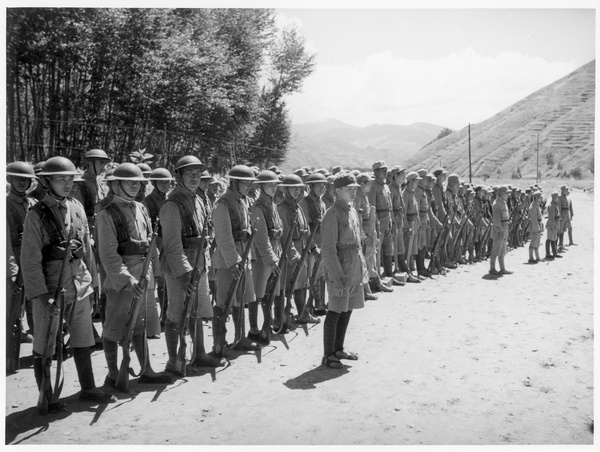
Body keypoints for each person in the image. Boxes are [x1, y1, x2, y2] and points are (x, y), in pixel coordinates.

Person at [21, 156, 116, 413]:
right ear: (46, 181)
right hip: (52, 288)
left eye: (69, 179)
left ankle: (88, 388)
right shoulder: (36, 214)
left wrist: (94, 283)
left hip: (80, 282)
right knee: (45, 344)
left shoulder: (76, 206)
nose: (66, 183)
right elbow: (30, 260)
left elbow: (86, 249)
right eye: (60, 179)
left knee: (83, 339)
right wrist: (41, 296)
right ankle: (47, 397)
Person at [96, 162, 171, 389]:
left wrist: (156, 272)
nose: (134, 186)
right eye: (129, 182)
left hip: (144, 274)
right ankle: (112, 373)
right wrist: (127, 280)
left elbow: (151, 245)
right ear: (115, 185)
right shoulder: (106, 214)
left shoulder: (142, 208)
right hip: (121, 278)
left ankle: (146, 369)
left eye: (137, 183)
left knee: (141, 324)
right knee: (113, 327)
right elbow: (108, 254)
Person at [160, 156, 224, 370]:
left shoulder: (198, 199)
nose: (195, 177)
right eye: (190, 173)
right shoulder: (172, 204)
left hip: (199, 262)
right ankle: (173, 361)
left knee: (197, 310)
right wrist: (185, 273)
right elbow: (171, 245)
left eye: (198, 173)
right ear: (178, 176)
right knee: (176, 313)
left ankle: (199, 353)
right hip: (180, 267)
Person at [211, 165, 261, 357]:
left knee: (241, 299)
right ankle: (219, 342)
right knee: (223, 302)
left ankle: (240, 338)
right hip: (227, 261)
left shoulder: (242, 201)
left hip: (243, 256)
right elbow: (223, 237)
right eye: (245, 182)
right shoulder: (223, 204)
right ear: (234, 182)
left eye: (250, 182)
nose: (248, 186)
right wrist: (233, 262)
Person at [320, 173, 367, 369]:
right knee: (335, 311)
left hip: (353, 265)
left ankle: (338, 348)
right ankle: (328, 354)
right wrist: (337, 276)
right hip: (340, 267)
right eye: (349, 189)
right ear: (336, 191)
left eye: (355, 188)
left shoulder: (351, 210)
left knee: (347, 309)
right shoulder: (332, 214)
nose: (353, 191)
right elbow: (329, 250)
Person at [6, 162, 37, 373]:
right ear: (9, 180)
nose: (21, 182)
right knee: (12, 314)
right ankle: (9, 359)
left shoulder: (33, 204)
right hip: (15, 264)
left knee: (36, 309)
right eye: (17, 178)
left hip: (34, 264)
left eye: (25, 179)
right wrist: (11, 272)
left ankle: (42, 353)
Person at [249, 170, 284, 344]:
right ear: (261, 186)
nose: (273, 187)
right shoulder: (258, 207)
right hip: (262, 257)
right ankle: (254, 329)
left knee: (269, 293)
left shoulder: (272, 204)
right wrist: (271, 259)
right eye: (270, 184)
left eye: (275, 184)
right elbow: (261, 238)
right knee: (258, 293)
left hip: (273, 253)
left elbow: (280, 228)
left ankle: (266, 325)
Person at [276, 174, 312, 332]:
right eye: (293, 188)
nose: (297, 191)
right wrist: (294, 254)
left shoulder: (297, 206)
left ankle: (302, 313)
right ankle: (282, 319)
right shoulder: (283, 208)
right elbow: (285, 236)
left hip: (301, 246)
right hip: (289, 251)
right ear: (285, 189)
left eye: (299, 188)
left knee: (301, 283)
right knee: (286, 286)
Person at [144, 167, 175, 327]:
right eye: (161, 182)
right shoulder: (148, 201)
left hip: (169, 242)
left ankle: (164, 314)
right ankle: (152, 319)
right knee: (155, 280)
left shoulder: (169, 199)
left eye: (167, 182)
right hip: (156, 243)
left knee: (166, 279)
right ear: (154, 183)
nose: (164, 184)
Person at [355, 172, 392, 298]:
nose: (370, 185)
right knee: (364, 262)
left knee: (371, 261)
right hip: (364, 233)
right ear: (361, 184)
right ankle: (365, 291)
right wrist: (362, 235)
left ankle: (375, 284)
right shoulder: (358, 198)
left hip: (370, 230)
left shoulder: (364, 196)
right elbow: (358, 219)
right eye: (368, 183)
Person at [299, 172, 329, 318]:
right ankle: (308, 308)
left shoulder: (322, 203)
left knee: (320, 275)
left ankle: (320, 304)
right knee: (309, 277)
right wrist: (312, 246)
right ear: (310, 186)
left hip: (322, 242)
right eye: (319, 185)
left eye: (324, 185)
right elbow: (304, 228)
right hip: (310, 244)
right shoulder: (304, 203)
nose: (322, 188)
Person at [402, 171, 422, 281]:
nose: (418, 183)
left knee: (413, 249)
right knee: (407, 250)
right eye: (416, 181)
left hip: (414, 224)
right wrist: (406, 227)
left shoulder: (412, 193)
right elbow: (403, 213)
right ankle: (407, 272)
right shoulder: (405, 194)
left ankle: (411, 271)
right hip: (409, 224)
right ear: (410, 182)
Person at [489, 185, 513, 275]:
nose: (508, 194)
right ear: (501, 193)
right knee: (496, 249)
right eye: (506, 193)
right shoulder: (496, 204)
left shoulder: (503, 202)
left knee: (503, 250)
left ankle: (502, 269)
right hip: (499, 230)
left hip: (505, 228)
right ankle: (492, 268)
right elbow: (496, 219)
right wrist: (500, 230)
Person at [544, 191, 562, 260]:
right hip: (552, 225)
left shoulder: (555, 205)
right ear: (554, 198)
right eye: (557, 197)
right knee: (549, 239)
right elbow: (551, 217)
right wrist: (553, 225)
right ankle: (547, 254)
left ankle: (555, 252)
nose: (558, 198)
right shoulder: (551, 206)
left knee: (554, 239)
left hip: (555, 224)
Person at [528, 190, 544, 263]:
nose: (541, 198)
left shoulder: (536, 205)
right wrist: (537, 228)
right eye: (540, 197)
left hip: (537, 225)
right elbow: (534, 219)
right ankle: (531, 258)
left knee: (537, 243)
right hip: (534, 227)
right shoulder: (533, 206)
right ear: (536, 197)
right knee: (533, 243)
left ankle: (537, 257)